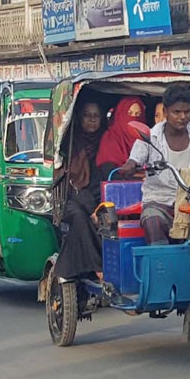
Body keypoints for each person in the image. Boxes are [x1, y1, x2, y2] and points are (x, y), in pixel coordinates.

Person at [119, 85, 190, 245]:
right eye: (177, 112)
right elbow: (135, 158)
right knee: (153, 220)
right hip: (160, 201)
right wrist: (131, 165)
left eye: (187, 112)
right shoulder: (151, 137)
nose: (182, 116)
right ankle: (160, 265)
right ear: (166, 111)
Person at [53, 101, 105, 279]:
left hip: (100, 197)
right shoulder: (71, 142)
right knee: (80, 219)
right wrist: (91, 209)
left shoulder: (106, 141)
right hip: (71, 198)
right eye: (87, 115)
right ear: (79, 118)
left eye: (96, 116)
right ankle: (98, 268)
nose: (92, 120)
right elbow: (71, 181)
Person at [96, 96, 146, 172]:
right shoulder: (110, 138)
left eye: (138, 114)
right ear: (120, 115)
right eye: (129, 113)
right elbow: (109, 172)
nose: (134, 119)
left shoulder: (147, 140)